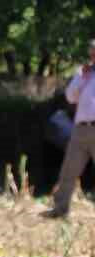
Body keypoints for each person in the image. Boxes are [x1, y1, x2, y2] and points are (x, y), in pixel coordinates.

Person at [45, 37, 95, 218]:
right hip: (81, 129)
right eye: (92, 51)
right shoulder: (84, 74)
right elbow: (71, 97)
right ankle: (60, 209)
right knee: (69, 171)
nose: (93, 54)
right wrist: (81, 77)